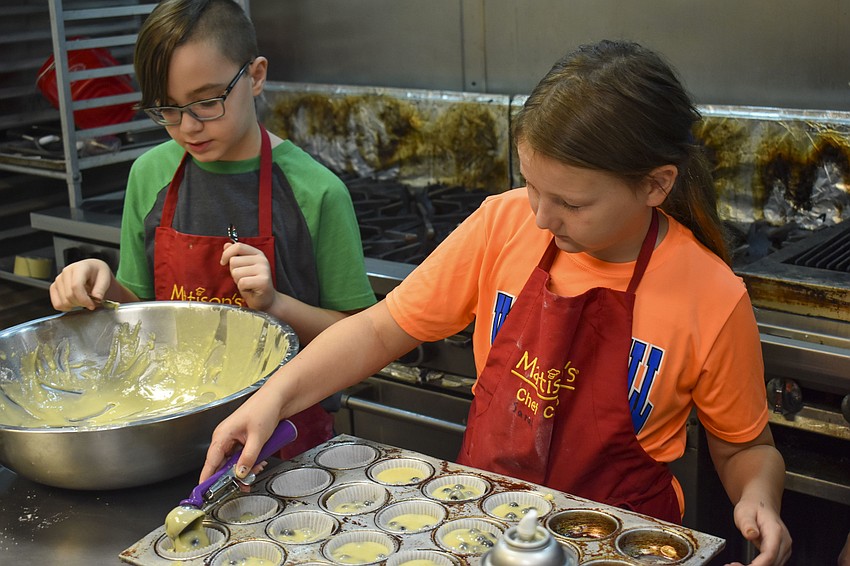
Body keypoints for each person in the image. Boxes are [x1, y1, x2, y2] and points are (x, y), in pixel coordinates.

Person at [200, 40, 792, 564]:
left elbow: (745, 446)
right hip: (484, 534)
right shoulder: (503, 225)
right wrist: (274, 398)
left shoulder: (710, 294)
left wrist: (758, 497)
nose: (540, 215)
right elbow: (382, 329)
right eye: (532, 186)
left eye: (571, 203)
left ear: (656, 185)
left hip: (617, 543)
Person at [48, 0, 376, 458]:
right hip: (172, 432)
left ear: (256, 76)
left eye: (206, 102)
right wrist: (97, 289)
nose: (188, 127)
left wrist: (276, 303)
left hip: (287, 443)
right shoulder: (150, 175)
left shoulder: (316, 192)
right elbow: (142, 313)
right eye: (167, 109)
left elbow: (362, 343)